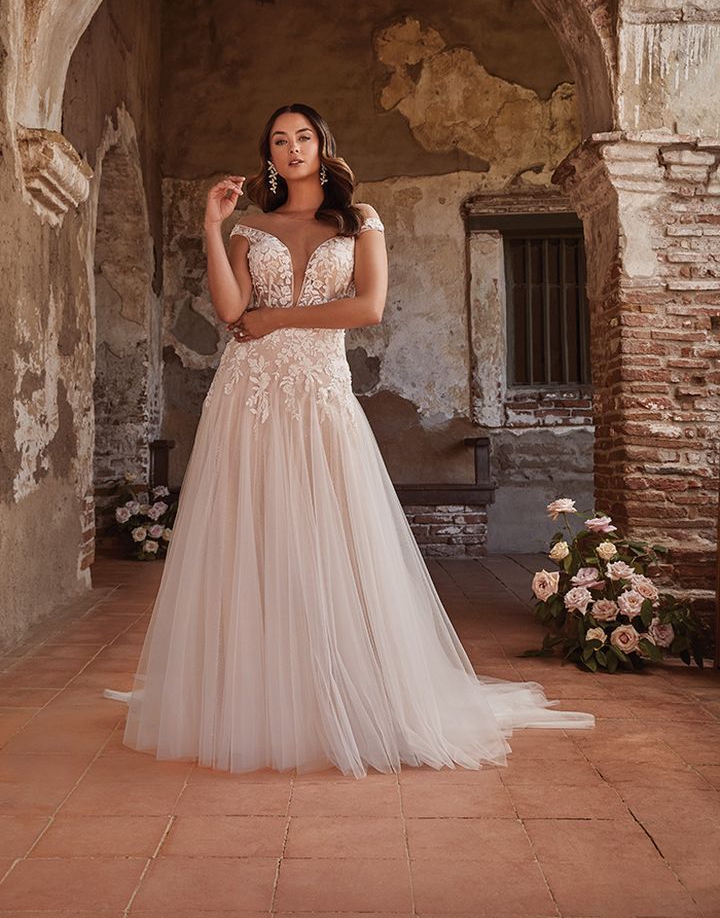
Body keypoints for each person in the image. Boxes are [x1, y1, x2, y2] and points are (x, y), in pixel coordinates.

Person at [102, 102, 594, 777]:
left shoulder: (360, 222)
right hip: (250, 395)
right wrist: (213, 227)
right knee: (256, 536)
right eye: (278, 140)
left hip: (320, 391)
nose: (291, 148)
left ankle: (342, 690)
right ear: (268, 158)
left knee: (330, 533)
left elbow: (367, 306)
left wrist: (274, 319)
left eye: (302, 136)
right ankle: (258, 695)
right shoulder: (251, 227)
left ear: (321, 147)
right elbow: (227, 311)